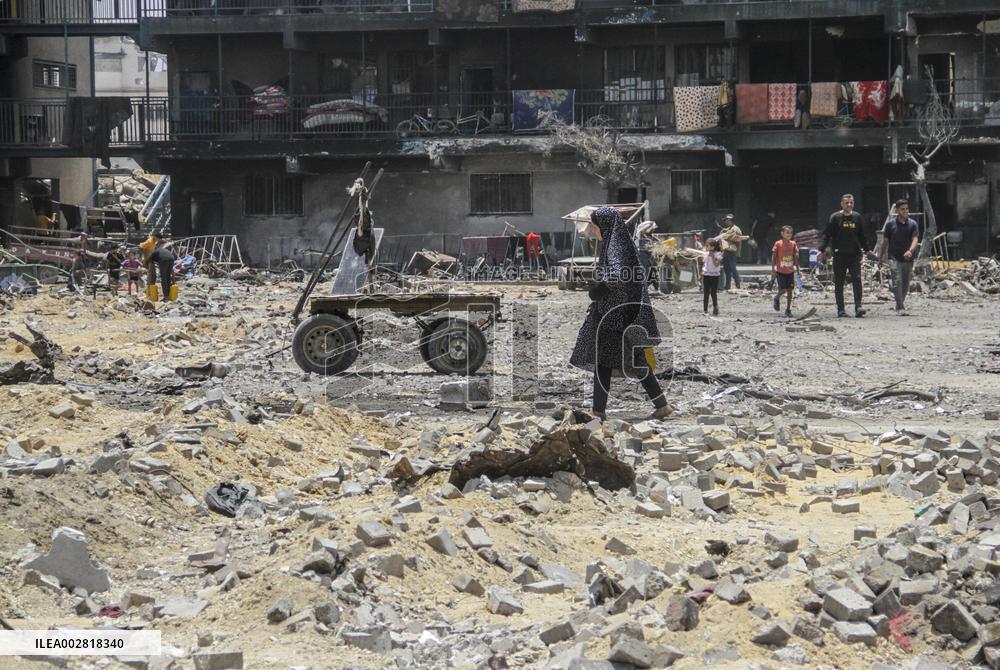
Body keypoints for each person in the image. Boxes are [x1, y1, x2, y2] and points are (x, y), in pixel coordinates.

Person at [570, 207, 672, 421]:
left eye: (595, 227)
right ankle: (661, 406)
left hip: (614, 316)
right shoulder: (620, 243)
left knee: (604, 361)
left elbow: (617, 276)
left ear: (604, 227)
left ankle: (598, 411)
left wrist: (598, 291)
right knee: (633, 360)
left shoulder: (615, 245)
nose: (594, 231)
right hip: (624, 314)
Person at [818, 194, 871, 317]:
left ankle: (858, 307)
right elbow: (827, 234)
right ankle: (841, 310)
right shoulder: (835, 217)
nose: (849, 205)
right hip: (839, 255)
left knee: (857, 280)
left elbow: (862, 236)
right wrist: (821, 249)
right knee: (839, 282)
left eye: (851, 202)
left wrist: (867, 249)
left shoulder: (857, 217)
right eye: (846, 203)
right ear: (841, 204)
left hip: (854, 255)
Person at [879, 199, 920, 315]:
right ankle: (901, 307)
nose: (905, 211)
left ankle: (899, 304)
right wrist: (881, 257)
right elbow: (885, 242)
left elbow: (915, 239)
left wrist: (910, 251)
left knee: (905, 284)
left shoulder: (912, 224)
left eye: (907, 209)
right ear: (897, 211)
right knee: (897, 281)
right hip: (894, 257)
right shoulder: (890, 225)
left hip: (908, 259)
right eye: (902, 209)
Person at [771, 225, 800, 317]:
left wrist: (798, 270)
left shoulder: (793, 244)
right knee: (783, 290)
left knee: (790, 291)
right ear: (782, 233)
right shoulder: (778, 244)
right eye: (787, 232)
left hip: (790, 271)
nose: (789, 234)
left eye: (791, 233)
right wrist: (773, 270)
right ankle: (776, 298)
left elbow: (795, 258)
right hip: (781, 271)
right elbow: (774, 257)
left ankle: (788, 309)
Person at [141, 231, 175, 301]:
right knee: (168, 277)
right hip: (172, 258)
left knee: (164, 278)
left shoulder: (154, 252)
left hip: (164, 261)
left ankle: (166, 296)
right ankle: (169, 294)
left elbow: (149, 260)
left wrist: (145, 264)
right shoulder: (162, 250)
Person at [715, 214, 742, 290]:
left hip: (732, 252)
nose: (725, 221)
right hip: (726, 252)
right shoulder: (727, 229)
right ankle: (727, 285)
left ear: (730, 220)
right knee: (727, 269)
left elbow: (736, 239)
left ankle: (738, 284)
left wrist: (725, 235)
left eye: (726, 220)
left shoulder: (736, 229)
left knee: (733, 269)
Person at [702, 238, 722, 316]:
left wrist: (713, 256)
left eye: (708, 246)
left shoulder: (718, 254)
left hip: (714, 275)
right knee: (706, 293)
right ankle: (705, 310)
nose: (706, 247)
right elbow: (704, 264)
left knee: (713, 292)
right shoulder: (705, 254)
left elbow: (716, 264)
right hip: (706, 275)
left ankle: (715, 307)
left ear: (713, 247)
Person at [636, 220, 658, 291]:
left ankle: (655, 286)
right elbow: (646, 247)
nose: (653, 230)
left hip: (650, 257)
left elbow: (657, 242)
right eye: (652, 229)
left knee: (653, 271)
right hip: (644, 256)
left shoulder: (650, 236)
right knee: (646, 272)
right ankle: (644, 288)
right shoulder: (642, 238)